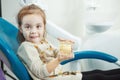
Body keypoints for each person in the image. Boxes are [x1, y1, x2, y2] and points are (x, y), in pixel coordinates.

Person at [17, 4, 82, 80]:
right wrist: (58, 59)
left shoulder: (43, 42)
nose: (33, 31)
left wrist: (66, 49)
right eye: (28, 27)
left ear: (44, 27)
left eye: (38, 26)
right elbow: (40, 72)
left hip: (61, 75)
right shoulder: (26, 47)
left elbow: (56, 52)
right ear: (21, 28)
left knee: (97, 73)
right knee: (97, 76)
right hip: (54, 78)